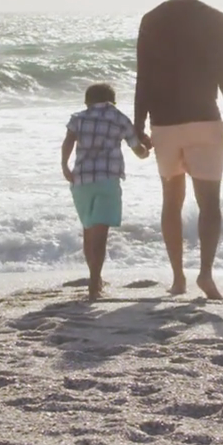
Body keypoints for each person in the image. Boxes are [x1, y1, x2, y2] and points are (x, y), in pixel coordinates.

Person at [133, 0, 223, 300]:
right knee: (209, 204)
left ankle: (177, 278)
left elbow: (144, 77)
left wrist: (137, 127)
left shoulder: (152, 19)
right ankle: (205, 274)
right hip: (205, 120)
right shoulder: (216, 20)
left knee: (171, 200)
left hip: (165, 124)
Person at [61, 82, 149, 300]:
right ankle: (94, 281)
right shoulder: (119, 118)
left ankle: (95, 278)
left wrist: (64, 166)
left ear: (87, 101)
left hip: (81, 180)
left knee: (88, 230)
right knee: (101, 234)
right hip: (108, 180)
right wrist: (147, 150)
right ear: (112, 100)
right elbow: (137, 150)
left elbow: (68, 142)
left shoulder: (79, 118)